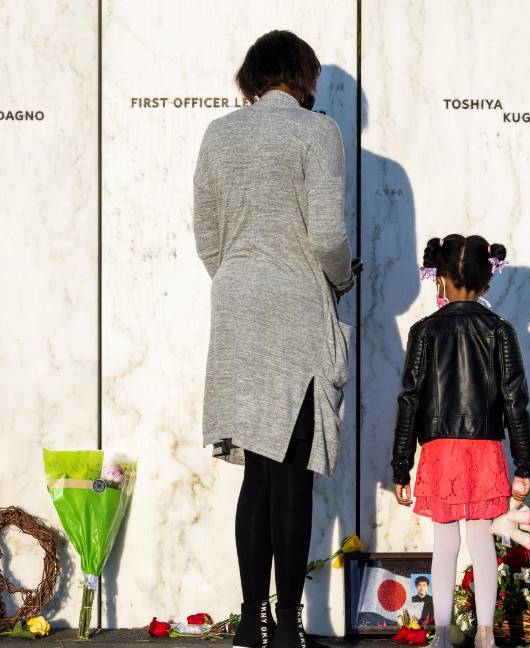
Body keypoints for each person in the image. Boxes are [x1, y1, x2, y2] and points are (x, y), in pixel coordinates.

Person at [193, 29, 358, 648]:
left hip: (235, 309)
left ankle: (250, 621)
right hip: (294, 307)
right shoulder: (318, 132)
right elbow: (326, 237)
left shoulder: (218, 134)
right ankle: (288, 625)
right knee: (292, 472)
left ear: (253, 76)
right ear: (302, 75)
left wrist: (241, 277)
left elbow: (207, 237)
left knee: (257, 476)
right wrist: (342, 279)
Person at [391, 234, 530, 648]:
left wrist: (401, 464)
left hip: (440, 450)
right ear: (485, 282)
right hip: (485, 449)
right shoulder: (500, 330)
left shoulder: (424, 331)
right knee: (481, 539)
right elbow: (515, 400)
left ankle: (440, 634)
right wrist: (525, 464)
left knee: (445, 543)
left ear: (440, 280)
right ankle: (486, 633)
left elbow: (410, 400)